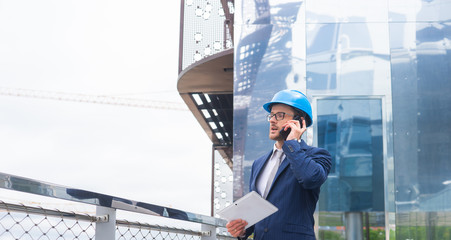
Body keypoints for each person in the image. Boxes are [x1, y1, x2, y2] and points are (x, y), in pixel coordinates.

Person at [226, 89, 332, 240]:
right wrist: (241, 229)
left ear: (299, 121)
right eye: (271, 115)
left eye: (280, 115)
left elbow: (310, 179)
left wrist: (292, 143)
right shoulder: (259, 163)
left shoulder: (317, 156)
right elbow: (256, 212)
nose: (272, 120)